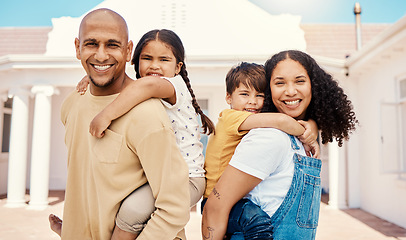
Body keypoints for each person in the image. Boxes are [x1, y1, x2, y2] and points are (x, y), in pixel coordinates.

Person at [65, 28, 215, 239]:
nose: (154, 65)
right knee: (120, 205)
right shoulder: (140, 91)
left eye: (164, 59)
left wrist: (106, 115)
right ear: (135, 62)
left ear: (177, 67)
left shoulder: (173, 86)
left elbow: (146, 85)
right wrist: (94, 76)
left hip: (187, 179)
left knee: (132, 211)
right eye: (147, 58)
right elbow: (127, 86)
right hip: (161, 176)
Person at [202, 50, 358, 240]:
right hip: (222, 205)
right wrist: (307, 132)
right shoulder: (269, 136)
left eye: (299, 81)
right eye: (280, 83)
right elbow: (215, 208)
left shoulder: (292, 138)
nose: (290, 91)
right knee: (255, 222)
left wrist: (312, 126)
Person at [203, 62, 319, 207]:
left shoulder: (252, 121)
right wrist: (309, 137)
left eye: (259, 95)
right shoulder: (230, 117)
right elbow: (282, 121)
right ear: (228, 97)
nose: (253, 101)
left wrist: (312, 123)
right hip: (216, 198)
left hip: (233, 197)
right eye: (244, 94)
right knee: (260, 225)